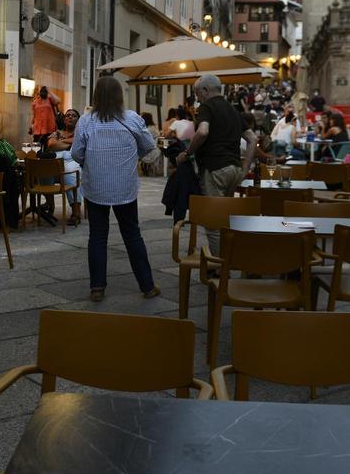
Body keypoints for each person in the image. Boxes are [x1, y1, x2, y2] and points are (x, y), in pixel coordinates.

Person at [71, 76, 159, 303]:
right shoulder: (132, 119)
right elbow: (149, 146)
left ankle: (97, 287)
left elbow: (76, 153)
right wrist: (132, 157)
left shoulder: (86, 121)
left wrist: (91, 161)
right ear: (120, 95)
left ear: (96, 96)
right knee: (132, 235)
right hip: (125, 187)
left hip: (96, 188)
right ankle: (147, 285)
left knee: (97, 236)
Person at [176, 74, 257, 255]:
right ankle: (228, 259)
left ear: (205, 90)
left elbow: (203, 131)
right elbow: (252, 139)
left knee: (213, 223)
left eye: (197, 93)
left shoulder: (207, 107)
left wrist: (188, 153)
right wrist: (244, 169)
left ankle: (220, 268)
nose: (197, 98)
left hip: (215, 170)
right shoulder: (233, 110)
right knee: (225, 218)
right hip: (234, 171)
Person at [45, 108, 84, 227]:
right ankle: (50, 205)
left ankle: (75, 211)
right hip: (55, 163)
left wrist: (60, 143)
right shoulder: (57, 132)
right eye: (67, 115)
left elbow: (77, 142)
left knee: (70, 172)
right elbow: (51, 144)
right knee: (44, 171)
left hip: (72, 161)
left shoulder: (81, 133)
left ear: (78, 120)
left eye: (73, 115)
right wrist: (70, 142)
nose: (70, 117)